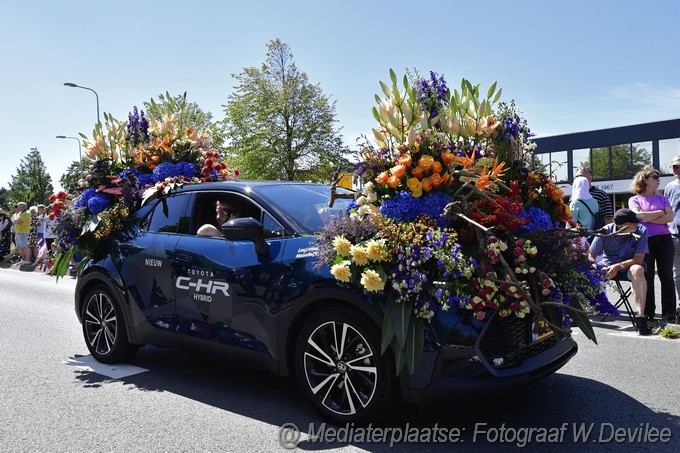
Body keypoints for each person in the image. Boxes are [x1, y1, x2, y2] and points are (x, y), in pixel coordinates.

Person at [588, 208, 650, 334]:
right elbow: (591, 255)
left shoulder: (641, 230)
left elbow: (638, 259)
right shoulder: (605, 231)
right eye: (634, 222)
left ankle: (641, 316)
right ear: (622, 226)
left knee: (638, 270)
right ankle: (578, 312)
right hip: (607, 266)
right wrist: (595, 267)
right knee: (586, 273)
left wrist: (618, 266)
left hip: (629, 266)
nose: (637, 224)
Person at [628, 168, 676, 325]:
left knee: (666, 275)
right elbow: (638, 217)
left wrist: (647, 217)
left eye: (658, 177)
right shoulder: (634, 200)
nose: (658, 179)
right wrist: (659, 213)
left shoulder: (663, 198)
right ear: (645, 179)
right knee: (647, 277)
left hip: (664, 240)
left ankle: (669, 313)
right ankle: (648, 313)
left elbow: (669, 217)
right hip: (645, 240)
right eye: (655, 177)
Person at [664, 155, 680, 312]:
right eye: (675, 167)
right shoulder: (669, 187)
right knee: (677, 272)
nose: (677, 169)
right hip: (674, 235)